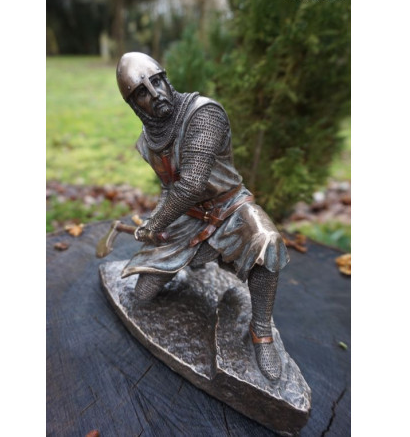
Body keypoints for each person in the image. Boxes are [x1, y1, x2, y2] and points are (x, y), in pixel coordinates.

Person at [117, 52, 289, 380]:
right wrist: (157, 224)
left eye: (157, 82)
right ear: (134, 104)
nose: (155, 94)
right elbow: (170, 189)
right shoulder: (147, 143)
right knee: (143, 294)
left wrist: (156, 223)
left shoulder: (204, 114)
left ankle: (261, 330)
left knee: (268, 241)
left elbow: (192, 185)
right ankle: (195, 261)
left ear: (166, 79)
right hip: (189, 218)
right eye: (141, 92)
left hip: (230, 207)